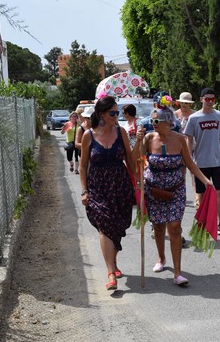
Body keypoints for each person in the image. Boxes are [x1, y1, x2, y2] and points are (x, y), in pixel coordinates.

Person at [135, 107, 213, 286]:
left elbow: (190, 163)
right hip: (154, 190)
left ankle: (177, 272)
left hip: (176, 190)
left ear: (168, 122)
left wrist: (205, 180)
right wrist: (138, 142)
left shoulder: (179, 139)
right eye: (151, 121)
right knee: (159, 227)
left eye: (156, 121)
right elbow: (136, 160)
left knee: (175, 227)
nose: (152, 124)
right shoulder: (148, 138)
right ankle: (161, 258)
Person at [79, 95, 136, 291]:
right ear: (101, 114)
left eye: (117, 112)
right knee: (105, 225)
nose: (116, 116)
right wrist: (84, 191)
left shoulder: (121, 132)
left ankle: (114, 263)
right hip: (97, 188)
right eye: (113, 113)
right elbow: (83, 165)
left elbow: (130, 159)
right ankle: (111, 273)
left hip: (120, 186)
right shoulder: (89, 135)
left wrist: (138, 183)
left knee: (117, 225)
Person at [184, 87, 220, 237]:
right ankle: (202, 224)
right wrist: (189, 160)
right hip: (200, 162)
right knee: (201, 195)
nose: (210, 102)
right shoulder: (194, 118)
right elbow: (189, 139)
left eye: (213, 99)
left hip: (217, 161)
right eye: (207, 99)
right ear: (201, 100)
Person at [174, 91, 200, 208]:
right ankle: (182, 196)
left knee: (194, 172)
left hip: (193, 146)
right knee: (181, 173)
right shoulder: (174, 115)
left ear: (190, 104)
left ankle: (197, 198)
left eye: (186, 103)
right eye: (182, 103)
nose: (184, 105)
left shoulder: (195, 115)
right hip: (178, 147)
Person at [75, 106, 94, 175]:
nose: (90, 120)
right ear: (85, 118)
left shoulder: (99, 127)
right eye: (88, 118)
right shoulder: (81, 129)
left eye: (92, 117)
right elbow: (77, 144)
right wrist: (90, 145)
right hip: (85, 155)